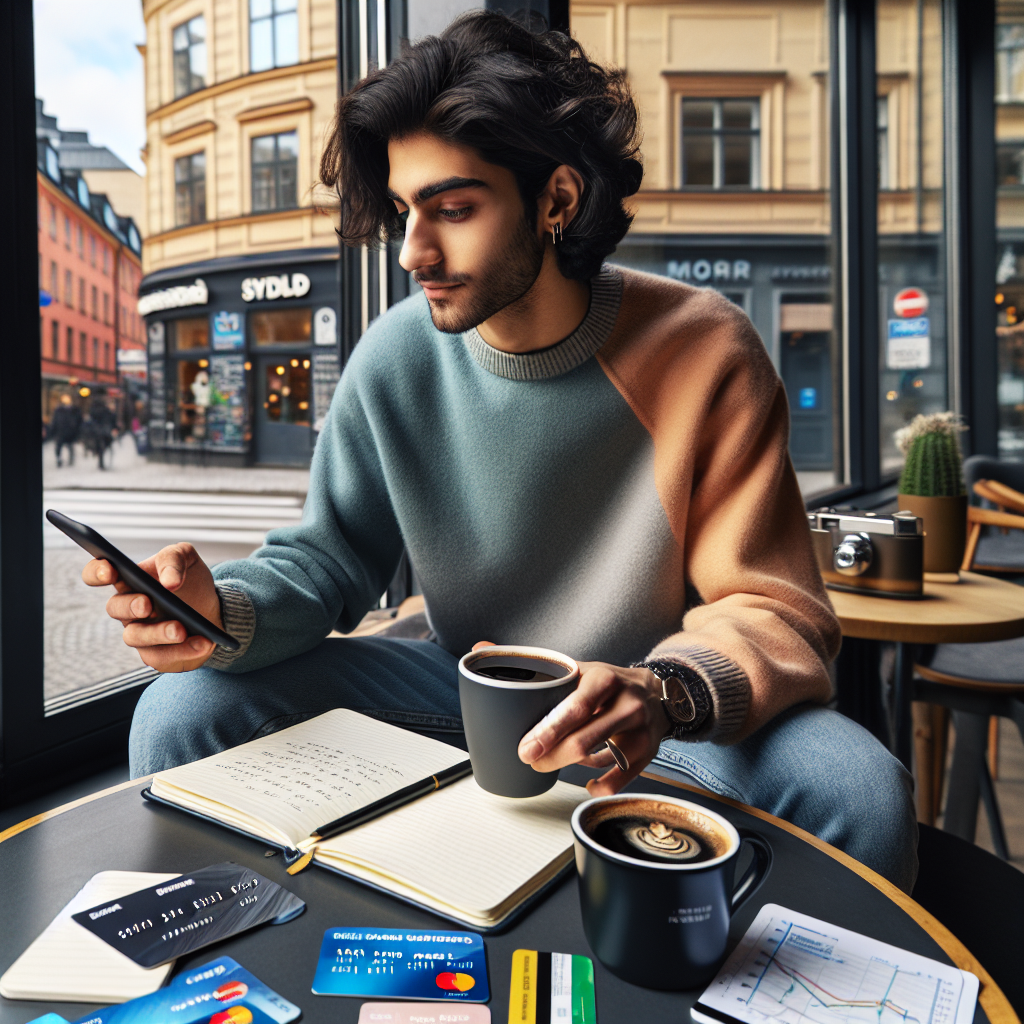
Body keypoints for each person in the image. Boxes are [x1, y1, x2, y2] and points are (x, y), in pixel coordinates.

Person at [83, 13, 917, 890]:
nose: (414, 251)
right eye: (406, 212)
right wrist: (220, 607)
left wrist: (663, 690)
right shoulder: (396, 355)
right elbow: (327, 559)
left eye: (453, 209)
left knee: (860, 791)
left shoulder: (704, 347)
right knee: (181, 707)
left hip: (646, 706)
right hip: (459, 687)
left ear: (557, 199)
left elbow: (776, 608)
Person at [49, 393, 81, 467]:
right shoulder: (58, 410)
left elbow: (78, 420)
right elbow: (55, 421)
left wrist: (76, 431)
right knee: (58, 447)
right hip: (61, 432)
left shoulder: (73, 410)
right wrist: (53, 431)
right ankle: (59, 459)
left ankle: (71, 459)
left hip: (70, 432)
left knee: (70, 446)